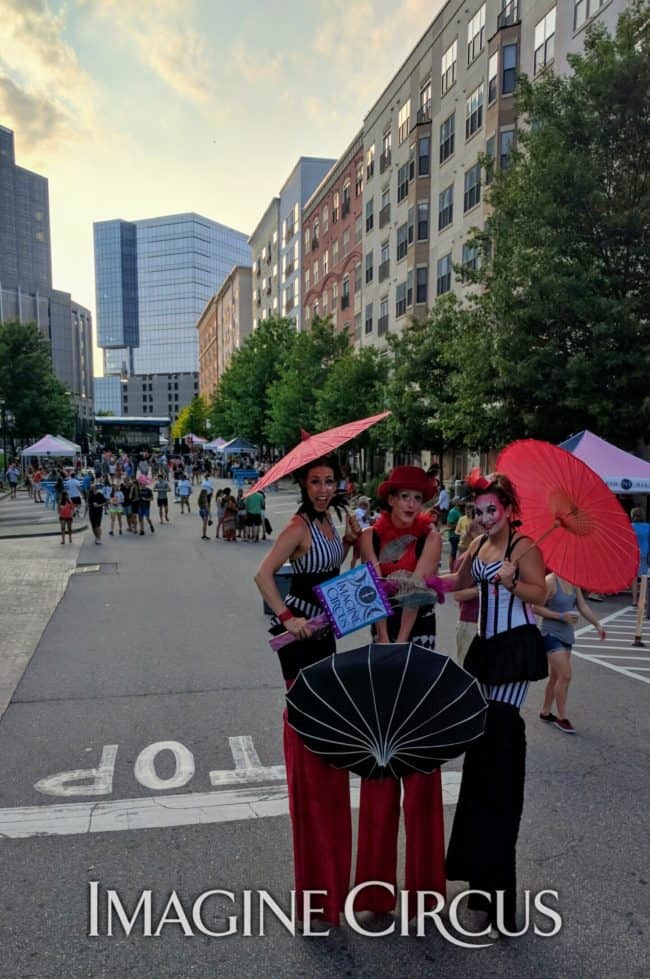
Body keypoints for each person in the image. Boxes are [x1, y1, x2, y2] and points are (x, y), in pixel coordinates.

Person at [253, 457, 359, 926]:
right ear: (303, 484)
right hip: (300, 635)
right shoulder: (298, 527)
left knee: (324, 717)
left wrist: (350, 545)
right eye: (315, 481)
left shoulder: (332, 521)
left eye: (329, 481)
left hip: (326, 630)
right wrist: (287, 618)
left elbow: (334, 576)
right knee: (307, 715)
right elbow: (263, 575)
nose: (323, 488)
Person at [445, 471, 547, 936]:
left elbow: (539, 593)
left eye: (492, 509)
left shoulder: (524, 547)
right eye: (479, 510)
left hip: (514, 649)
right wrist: (427, 579)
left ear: (508, 509)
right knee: (480, 763)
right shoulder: (480, 544)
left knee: (500, 757)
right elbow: (460, 585)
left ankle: (501, 892)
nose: (485, 517)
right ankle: (479, 882)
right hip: (484, 649)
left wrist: (512, 582)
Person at [353, 465, 445, 918]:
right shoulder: (369, 536)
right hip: (381, 636)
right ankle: (375, 890)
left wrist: (400, 642)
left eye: (417, 498)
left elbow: (416, 590)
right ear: (389, 500)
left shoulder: (431, 538)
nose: (411, 504)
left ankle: (424, 887)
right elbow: (368, 589)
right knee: (381, 750)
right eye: (404, 496)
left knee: (418, 752)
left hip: (417, 637)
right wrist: (384, 640)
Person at [534, 575, 606, 734]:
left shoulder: (574, 581)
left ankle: (545, 712)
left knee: (556, 677)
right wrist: (561, 616)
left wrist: (597, 624)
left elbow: (583, 606)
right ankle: (562, 717)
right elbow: (536, 607)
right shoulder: (550, 581)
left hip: (567, 635)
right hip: (551, 634)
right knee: (565, 676)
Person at [446, 497, 462, 569]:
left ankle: (455, 568)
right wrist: (459, 524)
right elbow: (449, 525)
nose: (461, 502)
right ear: (456, 503)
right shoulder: (452, 512)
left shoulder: (458, 511)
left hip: (458, 535)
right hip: (453, 536)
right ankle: (451, 569)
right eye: (460, 501)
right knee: (453, 553)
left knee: (457, 553)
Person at [88, 479, 106, 545]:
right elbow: (88, 504)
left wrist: (99, 505)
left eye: (92, 487)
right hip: (91, 512)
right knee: (93, 526)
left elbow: (105, 502)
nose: (91, 488)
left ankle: (99, 538)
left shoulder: (100, 494)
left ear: (95, 488)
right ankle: (96, 537)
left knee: (97, 526)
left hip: (98, 512)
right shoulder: (90, 495)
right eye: (91, 487)